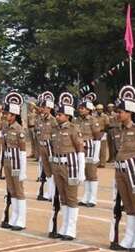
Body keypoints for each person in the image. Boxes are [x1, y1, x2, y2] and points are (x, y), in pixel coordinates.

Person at [108, 86, 135, 252]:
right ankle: (128, 238)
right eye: (118, 111)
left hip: (134, 170)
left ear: (130, 112)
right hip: (120, 171)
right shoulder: (116, 131)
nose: (118, 114)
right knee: (128, 206)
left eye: (122, 111)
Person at [48, 93, 85, 241]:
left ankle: (71, 228)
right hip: (57, 165)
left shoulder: (74, 129)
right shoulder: (55, 130)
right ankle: (64, 226)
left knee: (71, 197)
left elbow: (80, 150)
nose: (57, 116)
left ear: (68, 116)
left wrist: (81, 171)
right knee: (63, 197)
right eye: (57, 114)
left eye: (60, 114)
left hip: (70, 166)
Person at [1, 93, 28, 230]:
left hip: (17, 161)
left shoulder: (19, 129)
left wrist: (23, 170)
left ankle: (21, 220)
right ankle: (14, 217)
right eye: (7, 114)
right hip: (7, 160)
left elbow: (23, 151)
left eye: (10, 114)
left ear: (15, 115)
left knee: (19, 190)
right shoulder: (5, 127)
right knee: (11, 190)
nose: (7, 116)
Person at [76, 93, 103, 208]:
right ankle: (86, 196)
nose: (80, 110)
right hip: (81, 149)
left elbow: (97, 137)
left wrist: (96, 155)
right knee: (85, 173)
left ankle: (93, 198)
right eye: (80, 108)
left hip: (91, 148)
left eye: (83, 108)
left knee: (92, 174)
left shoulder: (93, 120)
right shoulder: (77, 120)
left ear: (89, 109)